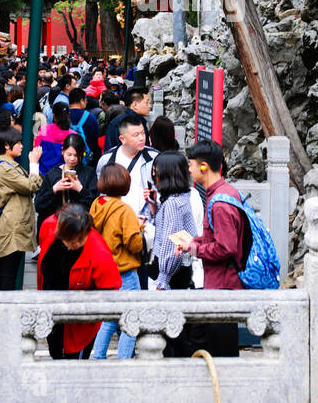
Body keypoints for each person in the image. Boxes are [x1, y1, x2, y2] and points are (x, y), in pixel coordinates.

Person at [174, 139, 249, 357]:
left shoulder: (220, 203)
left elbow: (226, 248)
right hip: (218, 285)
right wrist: (194, 243)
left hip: (222, 286)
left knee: (220, 352)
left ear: (204, 166)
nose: (188, 169)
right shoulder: (224, 192)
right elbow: (216, 236)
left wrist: (195, 250)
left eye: (191, 164)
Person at [37, 204, 120, 358]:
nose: (73, 244)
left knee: (74, 367)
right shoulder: (48, 226)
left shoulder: (99, 254)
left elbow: (111, 291)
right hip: (51, 314)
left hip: (79, 323)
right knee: (55, 357)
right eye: (68, 240)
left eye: (79, 240)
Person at [89, 165, 145, 360]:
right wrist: (140, 230)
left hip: (105, 270)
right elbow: (134, 243)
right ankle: (123, 360)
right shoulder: (124, 210)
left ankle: (98, 357)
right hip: (125, 271)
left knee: (109, 319)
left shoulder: (97, 204)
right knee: (130, 318)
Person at [0, 127, 42, 291]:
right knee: (8, 277)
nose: (21, 146)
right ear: (7, 145)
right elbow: (31, 185)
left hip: (16, 225)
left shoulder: (11, 166)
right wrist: (34, 163)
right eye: (18, 143)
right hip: (11, 227)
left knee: (8, 274)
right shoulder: (4, 169)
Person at [148, 151, 198, 291]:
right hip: (180, 271)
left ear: (167, 174)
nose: (153, 175)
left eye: (156, 171)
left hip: (169, 275)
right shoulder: (182, 196)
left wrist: (162, 281)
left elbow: (171, 243)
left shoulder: (173, 204)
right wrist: (155, 208)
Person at [95, 116, 157, 222]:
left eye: (143, 133)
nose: (142, 138)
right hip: (116, 220)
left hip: (145, 220)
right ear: (122, 139)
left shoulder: (154, 158)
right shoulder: (108, 159)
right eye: (136, 135)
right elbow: (102, 193)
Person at [33, 133, 97, 230]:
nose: (72, 159)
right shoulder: (53, 174)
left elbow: (95, 205)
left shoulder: (89, 173)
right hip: (56, 229)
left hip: (80, 228)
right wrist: (55, 189)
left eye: (76, 155)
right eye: (69, 154)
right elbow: (38, 205)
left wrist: (80, 189)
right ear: (62, 151)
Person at [34, 103, 73, 172]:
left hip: (43, 174)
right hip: (62, 175)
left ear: (54, 115)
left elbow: (36, 151)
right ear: (69, 115)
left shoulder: (44, 130)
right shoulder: (73, 135)